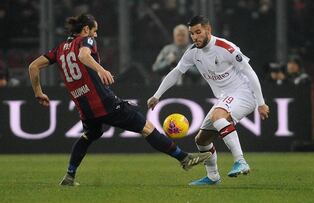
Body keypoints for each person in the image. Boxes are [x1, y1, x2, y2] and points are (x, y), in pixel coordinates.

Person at [28, 14, 211, 186]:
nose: (96, 34)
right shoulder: (85, 40)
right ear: (85, 30)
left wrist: (38, 92)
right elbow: (83, 55)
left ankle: (69, 175)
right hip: (104, 102)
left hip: (85, 108)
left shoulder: (59, 50)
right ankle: (184, 158)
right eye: (94, 30)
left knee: (88, 135)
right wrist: (101, 69)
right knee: (146, 128)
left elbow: (33, 66)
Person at [147, 15, 270, 186]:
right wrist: (157, 95)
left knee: (218, 116)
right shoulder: (192, 53)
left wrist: (261, 102)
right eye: (192, 34)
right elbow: (176, 72)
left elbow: (250, 72)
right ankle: (213, 177)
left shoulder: (226, 48)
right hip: (225, 97)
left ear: (208, 30)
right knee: (202, 140)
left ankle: (240, 161)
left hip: (244, 93)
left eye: (198, 32)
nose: (195, 37)